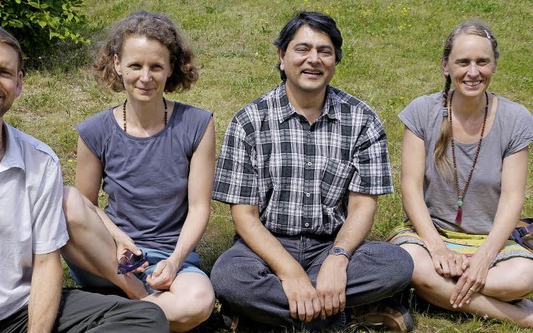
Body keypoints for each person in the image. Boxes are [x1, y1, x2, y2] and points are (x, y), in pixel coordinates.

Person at [0, 24, 168, 332]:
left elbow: (46, 263)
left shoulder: (40, 161)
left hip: (23, 310)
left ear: (19, 83)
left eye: (4, 72)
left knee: (145, 317)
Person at [210, 11, 415, 332]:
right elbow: (244, 216)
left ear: (335, 60)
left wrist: (339, 257)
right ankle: (344, 315)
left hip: (332, 243)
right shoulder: (249, 121)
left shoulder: (362, 120)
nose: (313, 60)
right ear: (282, 56)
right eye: (302, 49)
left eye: (324, 51)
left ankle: (263, 317)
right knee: (229, 277)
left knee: (397, 264)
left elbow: (363, 206)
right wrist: (289, 272)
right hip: (265, 247)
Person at [60, 11, 216, 332]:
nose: (145, 77)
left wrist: (174, 260)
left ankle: (117, 311)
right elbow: (84, 205)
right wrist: (117, 238)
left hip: (170, 260)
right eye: (135, 65)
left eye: (156, 66)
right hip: (110, 259)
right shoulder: (94, 130)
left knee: (199, 303)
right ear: (117, 64)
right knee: (63, 200)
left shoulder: (198, 124)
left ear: (171, 68)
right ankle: (137, 295)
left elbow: (200, 206)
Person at [389, 20, 533, 327]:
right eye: (463, 62)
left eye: (482, 62)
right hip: (431, 235)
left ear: (494, 65)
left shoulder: (516, 118)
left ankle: (437, 292)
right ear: (445, 65)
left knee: (524, 276)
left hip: (490, 241)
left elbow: (512, 198)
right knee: (412, 263)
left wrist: (483, 259)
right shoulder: (421, 112)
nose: (472, 72)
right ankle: (521, 315)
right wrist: (437, 248)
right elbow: (411, 190)